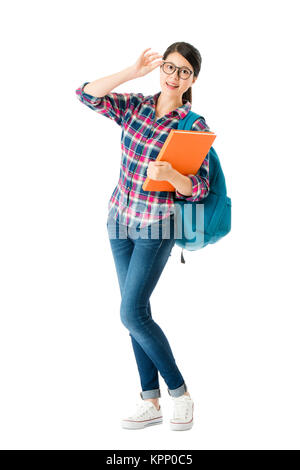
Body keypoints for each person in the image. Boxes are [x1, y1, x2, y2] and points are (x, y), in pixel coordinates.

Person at [75, 42, 210, 431]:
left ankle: (180, 394)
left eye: (183, 71)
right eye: (170, 67)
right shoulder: (135, 106)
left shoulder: (191, 126)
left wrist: (171, 177)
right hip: (119, 221)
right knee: (137, 315)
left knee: (130, 313)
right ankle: (149, 402)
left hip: (157, 227)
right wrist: (130, 72)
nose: (173, 76)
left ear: (192, 80)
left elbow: (198, 188)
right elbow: (86, 94)